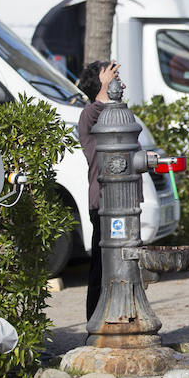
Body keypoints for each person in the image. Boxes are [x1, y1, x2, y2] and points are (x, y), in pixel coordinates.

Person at [77, 60, 123, 321]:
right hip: (103, 204)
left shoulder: (116, 113)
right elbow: (97, 107)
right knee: (101, 269)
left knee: (124, 267)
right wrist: (104, 85)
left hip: (123, 204)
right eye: (117, 78)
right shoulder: (90, 114)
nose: (122, 84)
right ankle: (94, 322)